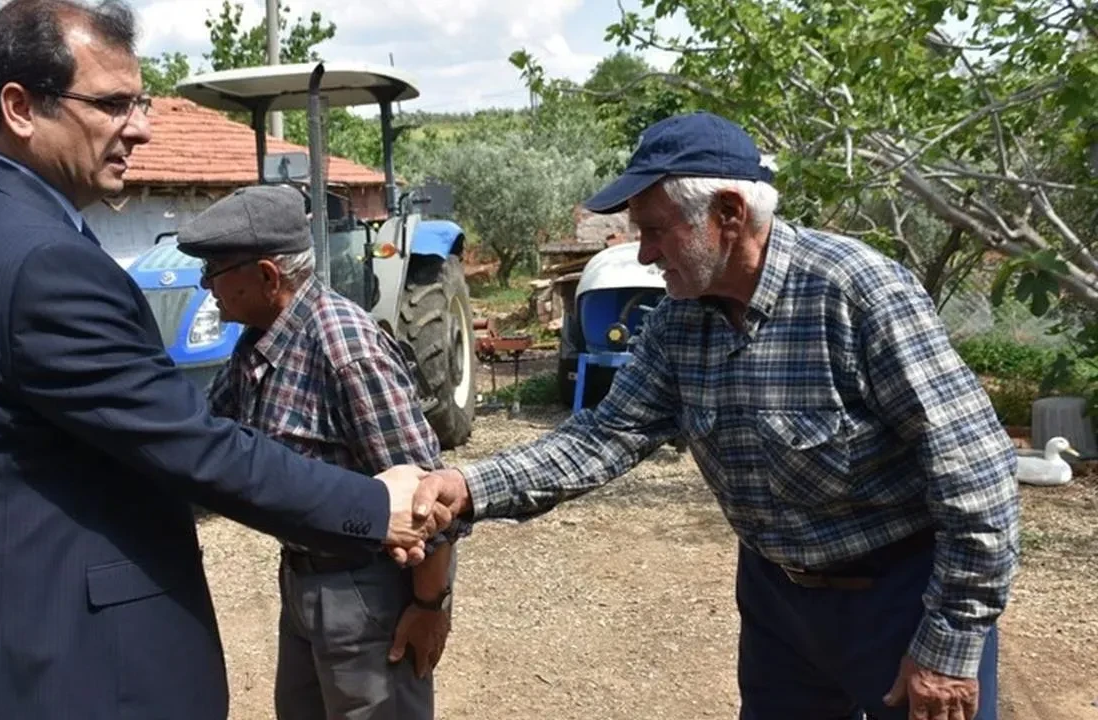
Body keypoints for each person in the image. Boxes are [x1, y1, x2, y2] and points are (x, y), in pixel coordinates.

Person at [0, 2, 449, 718]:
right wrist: (375, 505)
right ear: (20, 107)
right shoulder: (42, 263)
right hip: (73, 672)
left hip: (8, 644)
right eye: (114, 103)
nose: (142, 127)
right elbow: (195, 446)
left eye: (142, 101)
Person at [417, 111, 1018, 720]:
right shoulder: (680, 321)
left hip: (897, 597)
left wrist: (949, 646)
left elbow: (976, 476)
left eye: (656, 230)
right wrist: (466, 486)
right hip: (777, 601)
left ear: (729, 215)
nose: (645, 254)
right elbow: (603, 436)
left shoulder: (857, 294)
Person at [180, 185, 461, 720]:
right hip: (303, 582)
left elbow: (433, 502)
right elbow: (206, 438)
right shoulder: (256, 343)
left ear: (267, 276)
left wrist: (429, 606)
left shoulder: (345, 349)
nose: (205, 285)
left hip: (366, 593)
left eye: (215, 270)